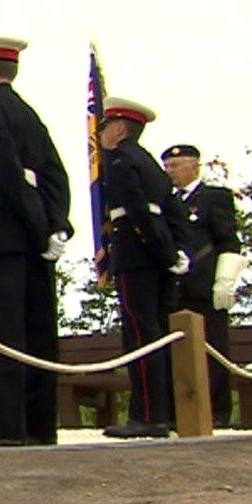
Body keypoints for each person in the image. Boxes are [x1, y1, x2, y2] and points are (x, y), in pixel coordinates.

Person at [0, 37, 73, 449]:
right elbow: (56, 175)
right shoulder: (30, 114)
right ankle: (40, 425)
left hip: (3, 225)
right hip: (34, 230)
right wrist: (55, 226)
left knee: (4, 329)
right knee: (39, 328)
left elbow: (5, 167)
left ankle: (5, 425)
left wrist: (41, 226)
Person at [98, 99, 191, 439]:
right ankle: (165, 412)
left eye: (105, 126)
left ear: (120, 129)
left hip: (138, 254)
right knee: (160, 332)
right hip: (159, 253)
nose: (102, 133)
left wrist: (159, 249)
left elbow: (136, 210)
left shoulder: (121, 159)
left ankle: (147, 415)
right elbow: (174, 211)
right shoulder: (151, 164)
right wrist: (176, 251)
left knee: (141, 335)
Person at [163, 144, 247, 427]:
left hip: (205, 286)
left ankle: (218, 414)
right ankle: (180, 415)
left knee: (213, 350)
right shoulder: (168, 202)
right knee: (177, 355)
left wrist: (225, 280)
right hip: (176, 289)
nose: (169, 172)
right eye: (167, 167)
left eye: (174, 166)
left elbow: (228, 240)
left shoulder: (213, 198)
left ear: (193, 166)